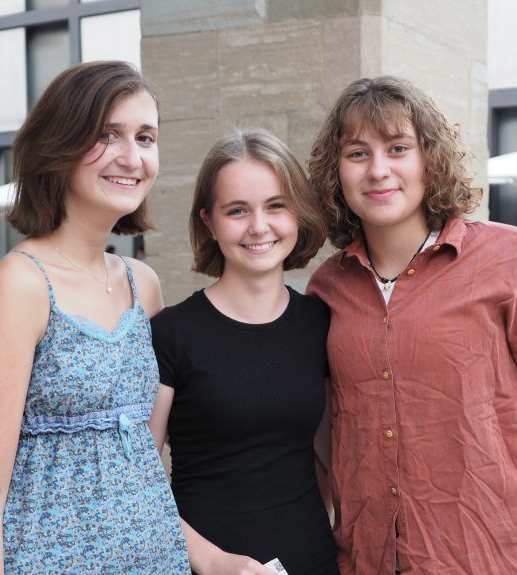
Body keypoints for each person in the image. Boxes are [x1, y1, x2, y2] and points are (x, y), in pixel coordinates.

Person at [306, 76, 517, 574]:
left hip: (493, 557)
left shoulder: (509, 258)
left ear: (429, 158)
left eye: (398, 148)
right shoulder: (326, 288)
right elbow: (325, 439)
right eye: (357, 153)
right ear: (336, 171)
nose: (378, 170)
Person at [0, 61, 189, 574]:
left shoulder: (142, 284)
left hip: (153, 557)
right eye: (107, 134)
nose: (132, 156)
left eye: (146, 137)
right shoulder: (21, 284)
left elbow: (148, 450)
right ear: (60, 144)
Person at [149, 129, 339, 575]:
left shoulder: (321, 323)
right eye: (237, 211)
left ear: (299, 214)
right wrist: (214, 562)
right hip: (206, 567)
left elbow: (329, 459)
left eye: (276, 205)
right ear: (209, 222)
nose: (259, 226)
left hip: (313, 561)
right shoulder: (171, 333)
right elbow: (137, 483)